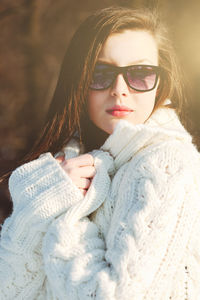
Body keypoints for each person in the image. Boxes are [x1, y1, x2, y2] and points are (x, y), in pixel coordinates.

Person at [0, 6, 200, 300]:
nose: (119, 90)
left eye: (140, 74)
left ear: (160, 84)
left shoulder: (166, 163)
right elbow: (11, 291)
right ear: (79, 81)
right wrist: (36, 208)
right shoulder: (72, 162)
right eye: (101, 73)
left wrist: (67, 216)